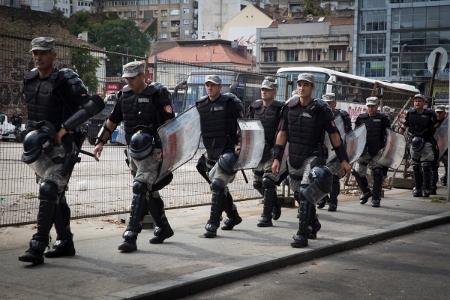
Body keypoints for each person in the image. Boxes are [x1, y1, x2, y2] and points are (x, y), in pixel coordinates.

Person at [19, 37, 105, 264]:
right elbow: (33, 111)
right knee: (56, 196)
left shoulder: (65, 80)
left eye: (43, 53)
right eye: (35, 53)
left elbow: (94, 104)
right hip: (40, 147)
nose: (38, 57)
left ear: (54, 55)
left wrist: (66, 128)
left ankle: (37, 246)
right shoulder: (29, 80)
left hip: (63, 147)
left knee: (49, 190)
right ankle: (65, 241)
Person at [93, 61, 175, 252]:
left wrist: (166, 149)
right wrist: (100, 142)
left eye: (132, 77)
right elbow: (112, 121)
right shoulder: (124, 96)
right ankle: (163, 227)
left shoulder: (157, 94)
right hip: (133, 152)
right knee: (148, 190)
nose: (128, 81)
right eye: (126, 78)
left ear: (142, 75)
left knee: (140, 187)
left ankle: (131, 234)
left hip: (154, 151)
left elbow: (170, 123)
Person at [272, 73, 351, 248]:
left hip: (314, 155)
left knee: (307, 191)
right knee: (300, 195)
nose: (302, 87)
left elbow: (334, 136)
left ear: (313, 88)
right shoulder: (289, 107)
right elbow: (282, 134)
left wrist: (343, 160)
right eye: (300, 84)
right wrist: (277, 158)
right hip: (294, 156)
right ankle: (314, 223)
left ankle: (302, 234)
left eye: (306, 85)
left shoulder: (321, 109)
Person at [196, 75, 243, 238]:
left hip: (229, 150)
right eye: (207, 85)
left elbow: (242, 125)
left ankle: (213, 224)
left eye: (213, 85)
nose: (210, 88)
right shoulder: (200, 105)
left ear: (220, 87)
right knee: (219, 186)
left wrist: (240, 144)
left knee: (217, 184)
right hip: (211, 152)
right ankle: (233, 216)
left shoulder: (230, 103)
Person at [247, 77, 285, 227]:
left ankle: (266, 216)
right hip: (258, 151)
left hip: (273, 150)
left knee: (268, 181)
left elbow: (283, 131)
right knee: (257, 183)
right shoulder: (255, 107)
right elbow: (247, 127)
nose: (264, 91)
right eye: (263, 89)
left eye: (267, 89)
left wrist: (278, 154)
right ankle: (275, 203)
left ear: (274, 92)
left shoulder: (281, 109)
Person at [316, 93, 352, 211]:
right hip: (323, 150)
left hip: (336, 150)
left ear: (335, 103)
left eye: (330, 102)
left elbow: (348, 134)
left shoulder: (341, 116)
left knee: (334, 177)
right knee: (320, 176)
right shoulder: (319, 114)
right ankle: (322, 198)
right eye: (325, 102)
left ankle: (333, 201)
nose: (327, 104)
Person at [351, 97, 390, 207]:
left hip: (378, 150)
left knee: (377, 172)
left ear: (377, 106)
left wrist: (385, 149)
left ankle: (376, 198)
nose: (370, 108)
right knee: (357, 171)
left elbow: (390, 136)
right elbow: (356, 135)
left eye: (373, 106)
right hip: (364, 151)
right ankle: (366, 191)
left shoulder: (383, 118)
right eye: (369, 106)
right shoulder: (361, 118)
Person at [399, 94, 438, 197]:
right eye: (415, 101)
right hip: (414, 143)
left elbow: (437, 130)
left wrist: (437, 143)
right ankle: (418, 188)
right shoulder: (411, 113)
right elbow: (404, 126)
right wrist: (398, 136)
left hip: (427, 142)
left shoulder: (430, 114)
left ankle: (427, 188)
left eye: (419, 101)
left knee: (426, 165)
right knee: (415, 166)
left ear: (424, 103)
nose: (417, 103)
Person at [434, 105, 447, 188]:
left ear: (444, 113)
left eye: (440, 113)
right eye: (437, 112)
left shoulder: (447, 122)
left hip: (445, 148)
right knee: (434, 166)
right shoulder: (433, 121)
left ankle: (445, 179)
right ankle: (433, 184)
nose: (438, 114)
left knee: (447, 165)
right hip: (435, 147)